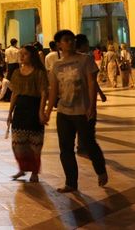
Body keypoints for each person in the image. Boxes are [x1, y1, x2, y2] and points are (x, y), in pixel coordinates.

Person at [44, 29, 108, 193]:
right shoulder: (56, 65)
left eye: (72, 39)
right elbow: (53, 91)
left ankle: (100, 170)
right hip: (64, 112)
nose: (70, 42)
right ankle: (71, 183)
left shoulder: (85, 60)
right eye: (66, 40)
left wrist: (92, 106)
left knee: (88, 143)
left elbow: (92, 83)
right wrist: (48, 111)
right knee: (65, 148)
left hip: (83, 110)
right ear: (59, 44)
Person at [7, 45, 49, 183]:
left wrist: (41, 111)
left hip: (34, 107)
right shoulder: (16, 73)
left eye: (25, 54)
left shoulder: (39, 73)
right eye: (21, 54)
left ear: (33, 56)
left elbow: (44, 92)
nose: (22, 56)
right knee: (18, 144)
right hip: (20, 109)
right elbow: (15, 93)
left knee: (35, 144)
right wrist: (10, 113)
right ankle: (22, 168)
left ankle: (34, 173)